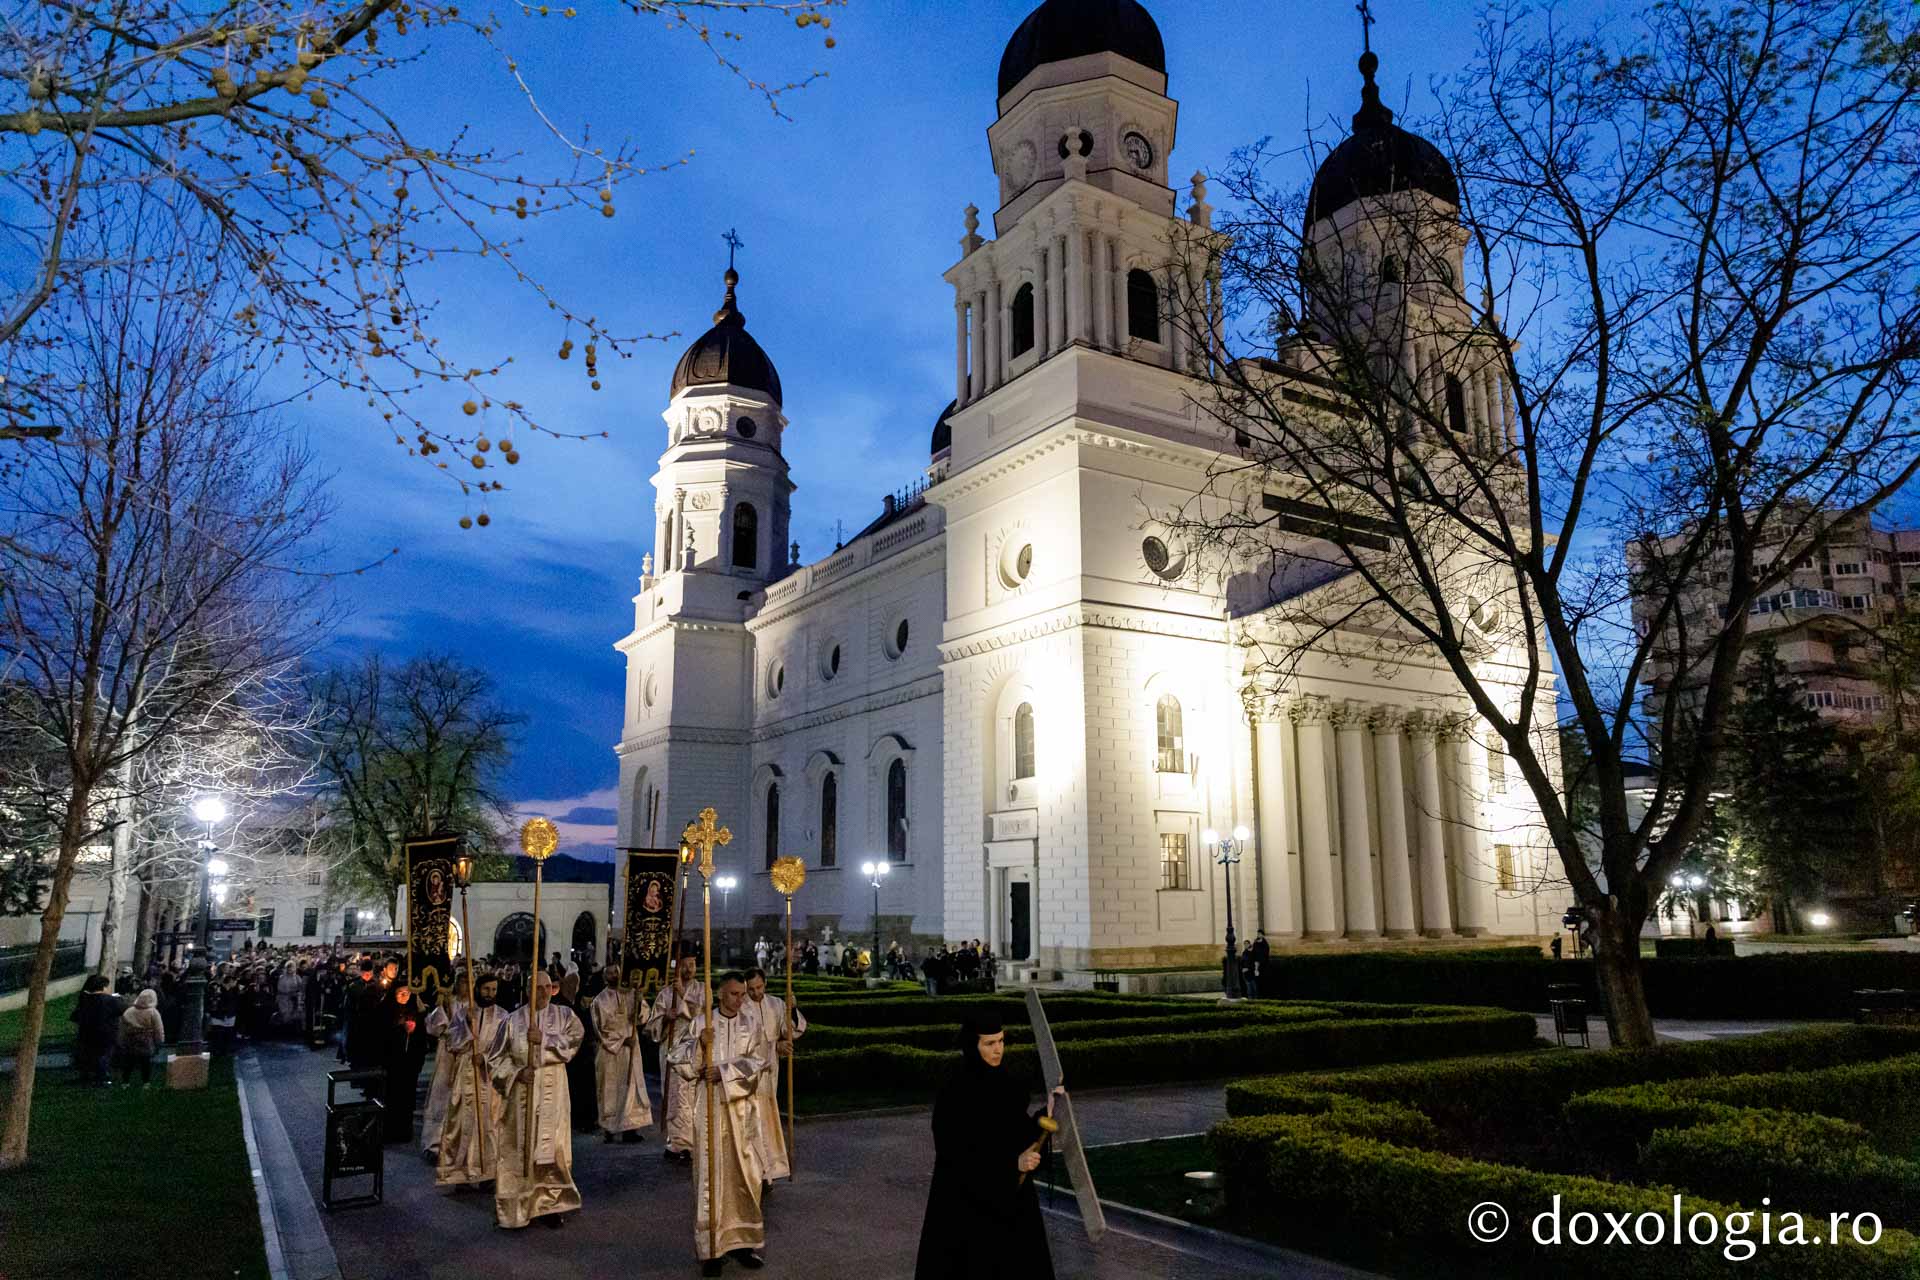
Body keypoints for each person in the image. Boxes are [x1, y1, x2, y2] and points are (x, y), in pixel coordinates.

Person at [913, 1008, 1061, 1280]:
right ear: (973, 1045)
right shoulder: (954, 1092)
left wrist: (1046, 1114)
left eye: (1001, 1041)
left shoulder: (1007, 1084)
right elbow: (956, 1155)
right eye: (989, 1043)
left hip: (1011, 1206)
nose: (998, 1049)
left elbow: (1018, 1133)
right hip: (967, 1213)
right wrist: (1012, 1164)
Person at [668, 973, 770, 1275]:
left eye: (742, 994)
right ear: (720, 994)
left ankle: (743, 1243)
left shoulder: (751, 1024)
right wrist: (699, 1045)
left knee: (745, 1172)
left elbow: (759, 1062)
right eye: (734, 994)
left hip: (742, 1111)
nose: (740, 999)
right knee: (710, 1176)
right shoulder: (702, 1023)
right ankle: (712, 1249)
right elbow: (677, 1058)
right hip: (710, 1108)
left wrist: (723, 1073)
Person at [487, 969, 585, 1229]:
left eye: (547, 987)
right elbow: (494, 1060)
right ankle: (518, 1207)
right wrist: (517, 1073)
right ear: (527, 990)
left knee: (553, 1149)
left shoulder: (565, 1016)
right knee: (521, 1148)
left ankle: (549, 1204)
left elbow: (575, 1041)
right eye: (537, 988)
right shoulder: (511, 1021)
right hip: (522, 1096)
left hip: (554, 1094)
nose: (543, 992)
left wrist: (545, 1040)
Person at [434, 973, 506, 1189]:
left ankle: (487, 1174)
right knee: (462, 1122)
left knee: (489, 1124)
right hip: (466, 1072)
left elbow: (506, 1047)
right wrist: (466, 1025)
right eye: (486, 989)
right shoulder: (464, 1013)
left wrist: (485, 1058)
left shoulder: (503, 1016)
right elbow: (450, 1041)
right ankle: (461, 1173)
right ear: (478, 989)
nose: (490, 994)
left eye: (494, 990)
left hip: (489, 1077)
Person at [744, 968, 805, 1183]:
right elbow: (746, 1045)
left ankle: (769, 1166)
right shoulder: (741, 1007)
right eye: (751, 989)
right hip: (749, 1074)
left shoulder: (776, 1004)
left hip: (771, 1071)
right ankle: (756, 1170)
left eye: (759, 987)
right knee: (754, 1118)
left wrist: (791, 1009)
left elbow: (790, 1031)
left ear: (765, 984)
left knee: (769, 1118)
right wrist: (774, 1047)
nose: (755, 993)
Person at [647, 954, 707, 1163]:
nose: (689, 969)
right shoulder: (666, 994)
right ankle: (677, 1143)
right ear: (677, 967)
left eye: (692, 965)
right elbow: (652, 1025)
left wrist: (683, 995)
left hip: (695, 1048)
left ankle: (694, 1141)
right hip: (671, 1048)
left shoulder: (703, 990)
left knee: (693, 1094)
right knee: (674, 1094)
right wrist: (666, 1018)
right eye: (684, 965)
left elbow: (703, 1017)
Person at [590, 963, 654, 1142]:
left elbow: (642, 1018)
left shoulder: (631, 993)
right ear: (604, 977)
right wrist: (621, 1041)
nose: (614, 975)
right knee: (609, 1089)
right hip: (610, 1051)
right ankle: (609, 1130)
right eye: (610, 973)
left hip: (631, 1050)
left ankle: (630, 1130)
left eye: (616, 972)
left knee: (631, 1087)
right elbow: (599, 1030)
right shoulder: (599, 1001)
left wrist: (639, 1001)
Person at [383, 982, 431, 1141]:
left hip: (410, 1062)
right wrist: (400, 1027)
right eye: (400, 993)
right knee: (392, 1096)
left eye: (407, 993)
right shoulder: (387, 1009)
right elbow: (381, 1033)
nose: (404, 996)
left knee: (407, 1097)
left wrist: (414, 1030)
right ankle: (389, 1131)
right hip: (392, 1062)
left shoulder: (414, 1010)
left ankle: (404, 1131)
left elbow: (422, 1036)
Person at [556, 967, 598, 1133]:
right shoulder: (561, 1005)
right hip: (571, 1054)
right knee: (574, 1088)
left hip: (585, 1052)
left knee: (586, 1087)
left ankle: (587, 1119)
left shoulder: (581, 1001)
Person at [71, 974, 123, 1086]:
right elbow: (121, 1010)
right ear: (103, 987)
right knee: (104, 1056)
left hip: (87, 1033)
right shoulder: (110, 1000)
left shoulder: (85, 999)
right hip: (106, 1033)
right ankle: (102, 1077)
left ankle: (88, 1076)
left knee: (90, 1054)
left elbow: (76, 1016)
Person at [117, 988, 166, 1087]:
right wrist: (160, 1041)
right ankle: (146, 1082)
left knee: (129, 1062)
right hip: (147, 1040)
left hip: (131, 1040)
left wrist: (121, 1041)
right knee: (145, 1062)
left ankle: (125, 1082)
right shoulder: (153, 1012)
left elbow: (122, 1028)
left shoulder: (129, 1011)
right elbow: (158, 1029)